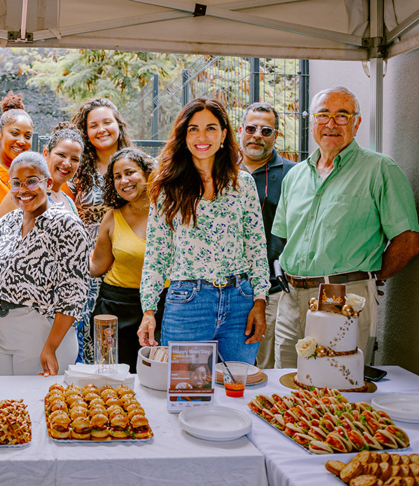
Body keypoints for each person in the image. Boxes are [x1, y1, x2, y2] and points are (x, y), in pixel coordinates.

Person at [272, 86, 419, 368]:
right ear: (311, 121)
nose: (331, 124)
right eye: (323, 115)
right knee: (287, 385)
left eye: (342, 115)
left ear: (356, 123)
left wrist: (369, 279)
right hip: (291, 298)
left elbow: (408, 241)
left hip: (342, 297)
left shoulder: (380, 170)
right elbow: (284, 237)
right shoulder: (296, 176)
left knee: (337, 384)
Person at [138, 98, 269, 365]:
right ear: (183, 136)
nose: (202, 136)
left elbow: (256, 246)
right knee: (187, 392)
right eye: (193, 129)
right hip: (188, 303)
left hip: (240, 303)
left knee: (237, 388)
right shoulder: (167, 187)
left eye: (210, 128)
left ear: (223, 135)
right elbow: (156, 254)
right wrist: (149, 309)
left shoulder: (243, 184)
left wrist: (260, 300)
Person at [0, 152, 88, 376]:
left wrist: (51, 348)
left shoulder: (67, 225)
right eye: (16, 183)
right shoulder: (7, 223)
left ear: (49, 183)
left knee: (34, 408)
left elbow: (74, 295)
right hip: (3, 335)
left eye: (32, 181)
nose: (23, 189)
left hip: (43, 335)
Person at [70, 98, 135, 363]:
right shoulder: (77, 169)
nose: (101, 129)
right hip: (89, 265)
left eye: (106, 122)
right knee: (88, 332)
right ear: (85, 132)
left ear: (118, 124)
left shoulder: (135, 166)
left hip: (127, 262)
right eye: (93, 125)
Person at [237, 102, 296, 369]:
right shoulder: (218, 169)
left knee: (261, 366)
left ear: (276, 135)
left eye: (266, 130)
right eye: (251, 128)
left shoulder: (293, 174)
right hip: (225, 288)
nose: (257, 135)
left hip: (271, 290)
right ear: (240, 130)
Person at [89, 147, 156, 370]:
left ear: (147, 173)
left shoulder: (170, 211)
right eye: (117, 177)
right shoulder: (112, 216)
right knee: (114, 378)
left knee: (156, 375)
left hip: (160, 306)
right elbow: (97, 266)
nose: (124, 181)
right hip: (116, 309)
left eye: (129, 172)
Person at [0, 122, 82, 221]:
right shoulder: (24, 192)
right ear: (46, 154)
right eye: (61, 155)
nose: (67, 163)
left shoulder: (69, 202)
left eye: (75, 159)